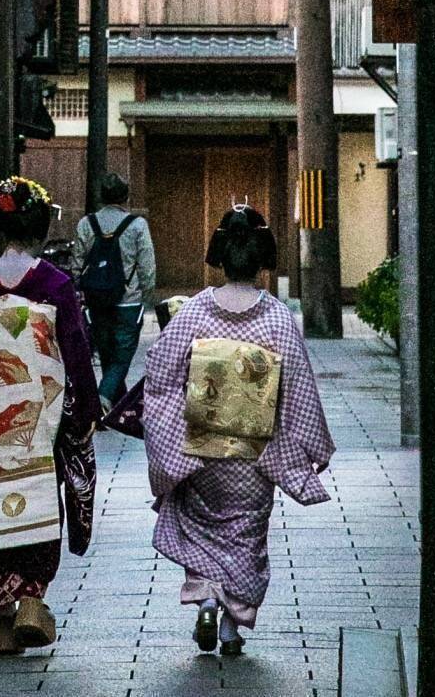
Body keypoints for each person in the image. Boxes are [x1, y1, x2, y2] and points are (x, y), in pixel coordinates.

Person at [141, 205, 333, 660]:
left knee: (202, 526)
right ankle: (230, 627)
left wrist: (176, 424)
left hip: (201, 452)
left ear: (220, 256)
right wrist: (313, 446)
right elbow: (299, 389)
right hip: (253, 455)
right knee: (246, 535)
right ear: (263, 259)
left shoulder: (194, 314)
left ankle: (206, 597)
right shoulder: (276, 319)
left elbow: (162, 375)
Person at [0, 175, 100, 656]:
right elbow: (76, 350)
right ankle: (31, 599)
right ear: (42, 227)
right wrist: (87, 409)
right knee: (39, 507)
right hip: (39, 425)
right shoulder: (55, 286)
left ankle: (3, 620)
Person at [74, 171, 157, 410]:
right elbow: (147, 266)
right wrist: (146, 295)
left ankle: (116, 403)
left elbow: (77, 262)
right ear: (126, 197)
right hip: (127, 299)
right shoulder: (137, 225)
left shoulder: (86, 224)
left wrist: (80, 288)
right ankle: (100, 401)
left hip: (96, 298)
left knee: (107, 353)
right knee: (122, 356)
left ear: (101, 197)